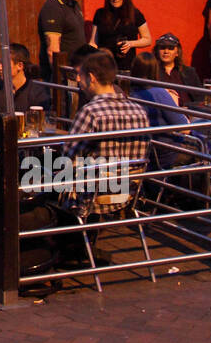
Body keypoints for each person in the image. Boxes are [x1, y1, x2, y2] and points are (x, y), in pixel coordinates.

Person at [59, 52, 151, 257]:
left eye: (80, 77)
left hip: (94, 197)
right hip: (128, 193)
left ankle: (64, 248)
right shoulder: (139, 110)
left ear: (91, 77)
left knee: (40, 176)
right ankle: (82, 246)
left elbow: (66, 157)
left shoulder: (91, 111)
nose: (79, 83)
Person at [130, 52, 197, 168]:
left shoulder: (129, 94)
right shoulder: (159, 93)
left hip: (146, 154)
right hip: (167, 153)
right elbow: (185, 128)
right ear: (155, 70)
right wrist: (174, 102)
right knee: (210, 145)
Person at [88, 0, 152, 74]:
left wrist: (130, 44)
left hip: (126, 68)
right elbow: (93, 42)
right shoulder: (100, 13)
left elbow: (147, 39)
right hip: (104, 67)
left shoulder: (135, 13)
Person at [37, 0, 88, 82]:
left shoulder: (72, 2)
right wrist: (61, 82)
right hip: (66, 77)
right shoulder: (53, 8)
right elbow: (52, 51)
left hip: (78, 74)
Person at [0, 43, 49, 116]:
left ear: (20, 66)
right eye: (0, 63)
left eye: (4, 63)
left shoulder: (37, 92)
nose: (0, 67)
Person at [153, 33, 202, 104]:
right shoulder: (152, 71)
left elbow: (200, 97)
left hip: (188, 111)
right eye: (162, 48)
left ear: (177, 53)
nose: (166, 52)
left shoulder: (189, 72)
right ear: (157, 51)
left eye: (171, 48)